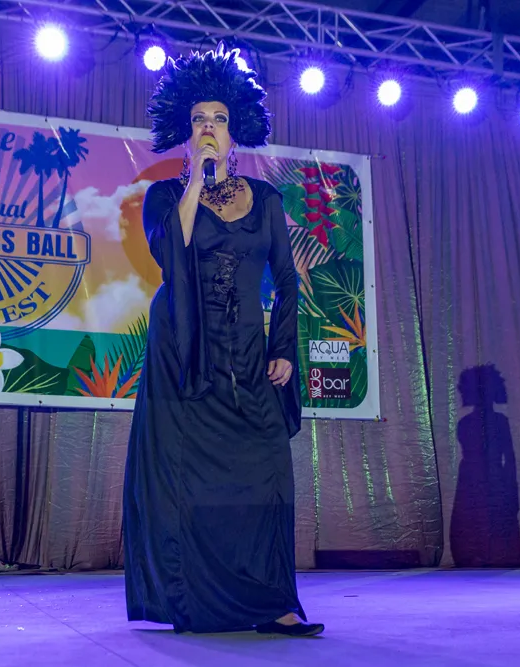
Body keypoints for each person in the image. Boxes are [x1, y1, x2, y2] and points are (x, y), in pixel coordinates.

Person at [122, 45, 323, 637]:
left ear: (236, 133)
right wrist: (195, 179)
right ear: (186, 134)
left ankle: (275, 602)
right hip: (183, 353)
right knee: (185, 477)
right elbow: (171, 251)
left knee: (268, 469)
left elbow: (286, 278)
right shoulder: (164, 196)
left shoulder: (266, 200)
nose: (209, 129)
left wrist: (283, 348)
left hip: (248, 353)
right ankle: (193, 600)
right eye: (198, 121)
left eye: (219, 120)